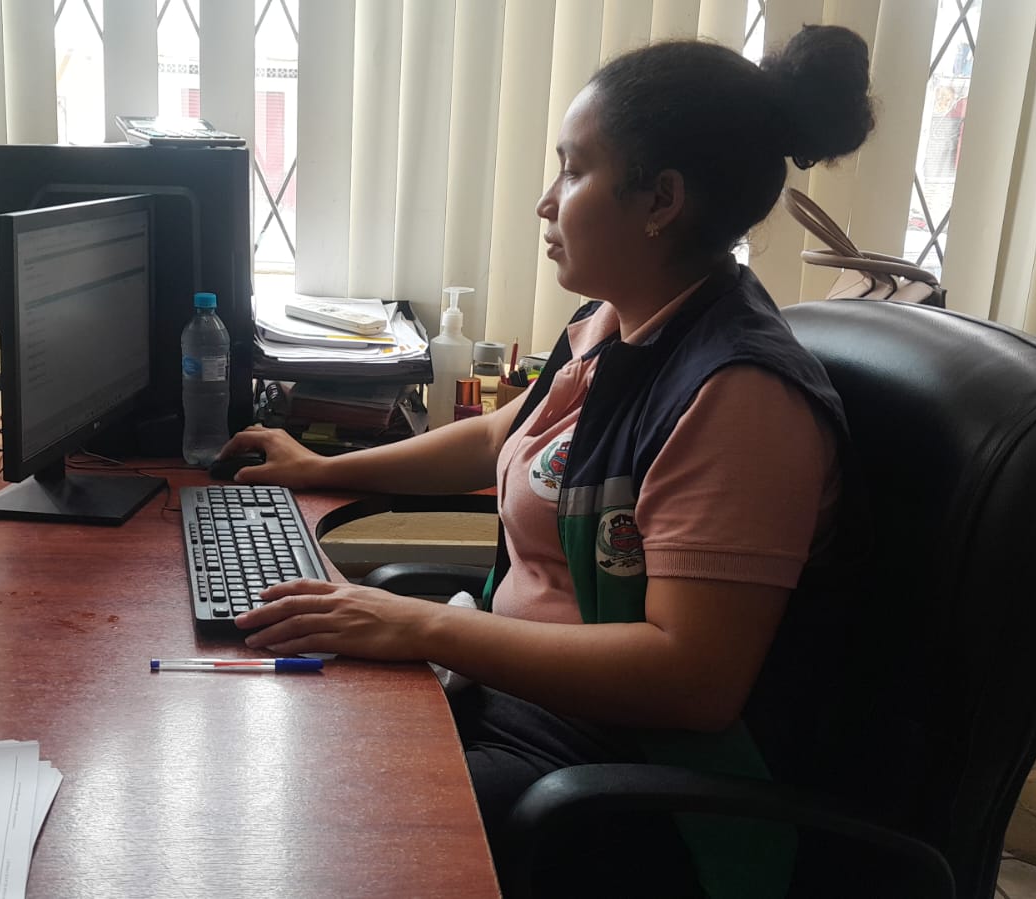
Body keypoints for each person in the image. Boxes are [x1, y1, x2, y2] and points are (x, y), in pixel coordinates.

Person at [221, 25, 875, 897]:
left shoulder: (739, 396)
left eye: (572, 171)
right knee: (267, 733)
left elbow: (694, 681)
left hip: (627, 779)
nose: (544, 202)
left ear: (660, 199)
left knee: (312, 828)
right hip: (517, 700)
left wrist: (417, 625)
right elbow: (501, 437)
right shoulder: (616, 321)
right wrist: (319, 467)